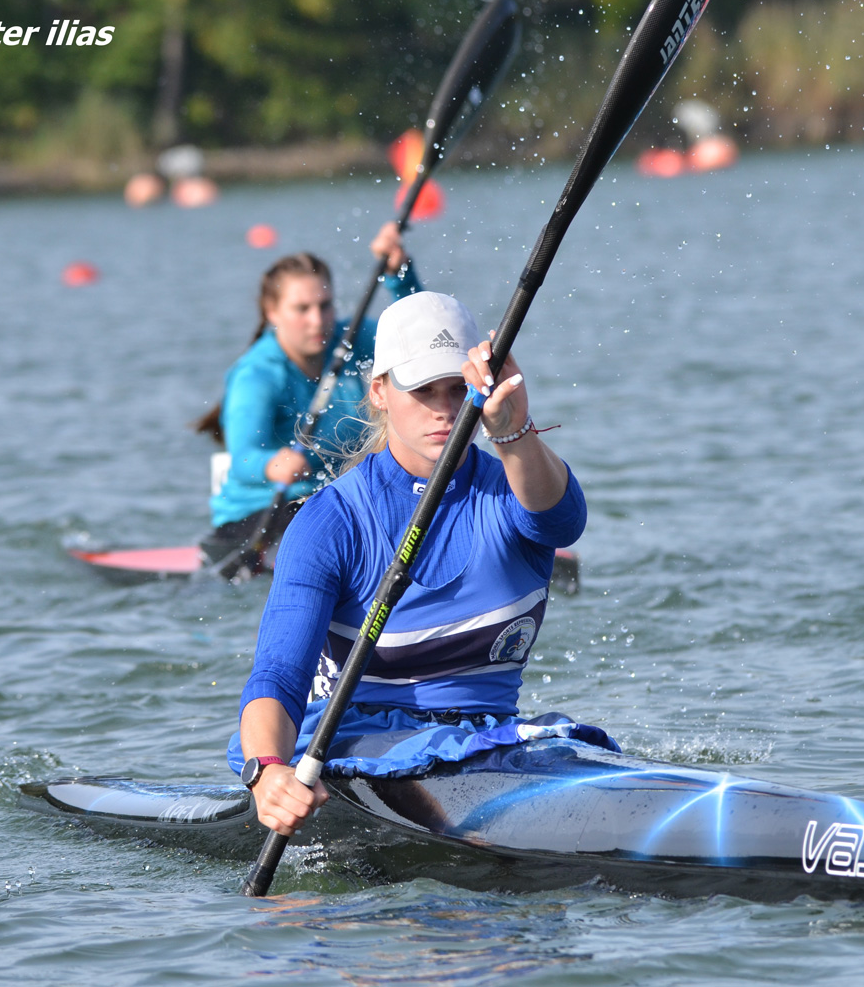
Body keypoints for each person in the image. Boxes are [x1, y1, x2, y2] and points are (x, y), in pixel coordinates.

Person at [228, 292, 605, 837]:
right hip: (364, 752)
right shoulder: (330, 522)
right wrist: (267, 773)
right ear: (379, 392)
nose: (445, 409)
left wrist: (512, 431)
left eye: (459, 389)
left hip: (490, 742)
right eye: (423, 390)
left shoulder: (514, 492)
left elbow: (563, 523)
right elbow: (279, 676)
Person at [195, 223, 421, 569]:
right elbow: (241, 460)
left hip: (335, 500)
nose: (318, 321)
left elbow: (416, 336)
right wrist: (274, 464)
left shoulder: (349, 341)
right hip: (259, 516)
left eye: (325, 306)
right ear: (273, 313)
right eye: (302, 309)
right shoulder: (257, 375)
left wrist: (399, 275)